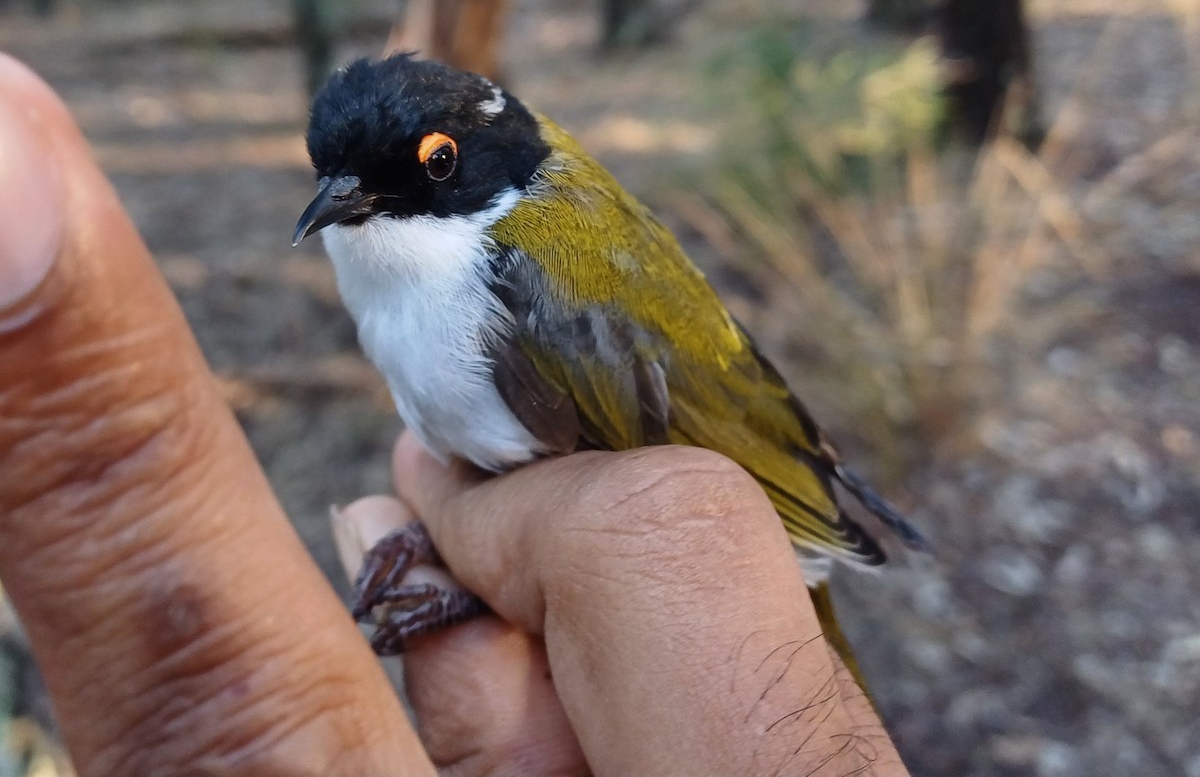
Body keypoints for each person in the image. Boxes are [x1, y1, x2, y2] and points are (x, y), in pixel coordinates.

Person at [0, 53, 910, 777]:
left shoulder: (518, 274)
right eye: (339, 183)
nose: (353, 204)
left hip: (749, 499)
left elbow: (660, 490)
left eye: (431, 166)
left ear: (486, 154)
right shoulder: (420, 264)